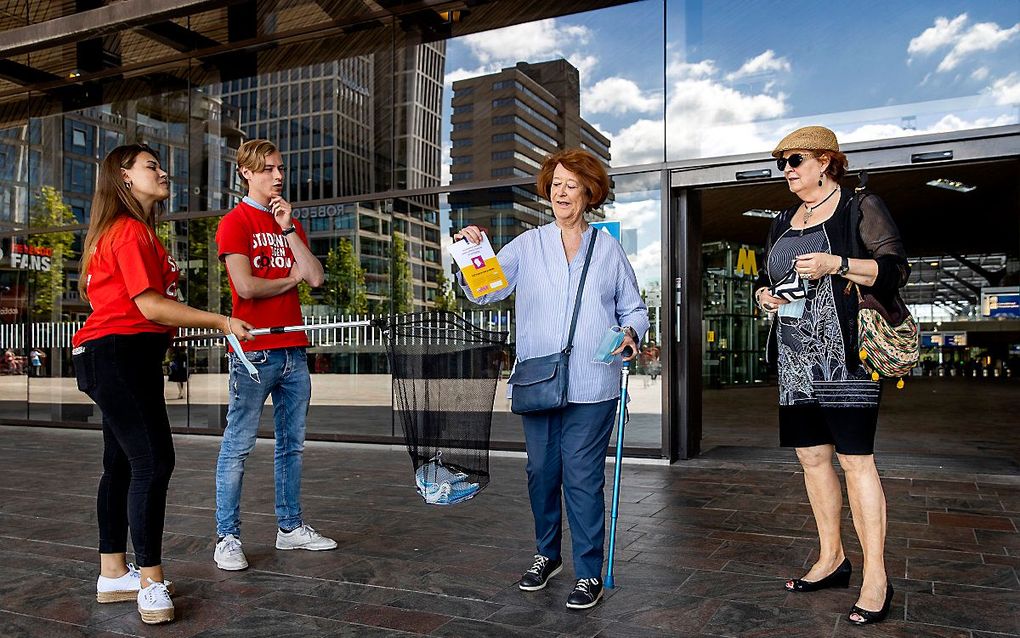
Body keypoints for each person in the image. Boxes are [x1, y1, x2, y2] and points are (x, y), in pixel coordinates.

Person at [454, 148, 649, 610]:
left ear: (589, 191)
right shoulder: (527, 244)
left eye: (572, 184)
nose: (562, 191)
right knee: (541, 473)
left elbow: (635, 307)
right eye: (556, 183)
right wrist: (473, 253)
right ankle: (547, 554)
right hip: (540, 380)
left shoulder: (607, 249)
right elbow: (488, 291)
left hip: (593, 382)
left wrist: (630, 331)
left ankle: (588, 571)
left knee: (581, 475)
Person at [72, 144, 254, 625]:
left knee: (121, 465)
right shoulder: (129, 232)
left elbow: (145, 311)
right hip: (118, 357)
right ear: (124, 178)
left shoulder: (128, 233)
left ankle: (113, 572)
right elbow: (149, 306)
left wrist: (195, 324)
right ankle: (150, 582)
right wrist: (220, 320)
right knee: (153, 461)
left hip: (119, 356)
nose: (163, 172)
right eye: (151, 166)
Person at [754, 126, 908, 626]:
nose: (788, 170)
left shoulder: (858, 207)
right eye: (781, 163)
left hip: (844, 357)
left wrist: (835, 263)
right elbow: (768, 277)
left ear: (825, 161)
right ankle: (831, 559)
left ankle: (876, 577)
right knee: (812, 459)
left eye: (795, 160)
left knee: (856, 460)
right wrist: (764, 296)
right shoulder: (781, 220)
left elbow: (894, 270)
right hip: (796, 358)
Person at [212, 139, 330, 571]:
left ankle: (290, 528)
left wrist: (286, 230)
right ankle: (227, 536)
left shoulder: (288, 223)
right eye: (266, 170)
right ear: (246, 172)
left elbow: (314, 277)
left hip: (293, 352)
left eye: (280, 168)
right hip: (253, 352)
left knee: (291, 447)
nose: (277, 176)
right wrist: (288, 280)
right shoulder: (234, 222)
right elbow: (245, 287)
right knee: (238, 446)